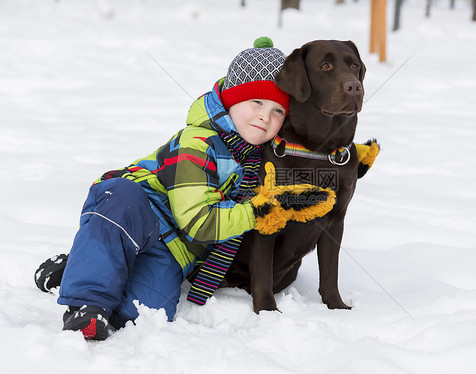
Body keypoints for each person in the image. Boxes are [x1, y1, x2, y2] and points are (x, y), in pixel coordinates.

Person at [42, 37, 335, 341]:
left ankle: (80, 266)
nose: (266, 116)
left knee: (143, 311)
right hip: (137, 207)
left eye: (278, 111)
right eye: (257, 102)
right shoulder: (197, 143)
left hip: (175, 247)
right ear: (232, 100)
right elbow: (197, 221)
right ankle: (85, 304)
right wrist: (262, 210)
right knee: (121, 209)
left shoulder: (261, 160)